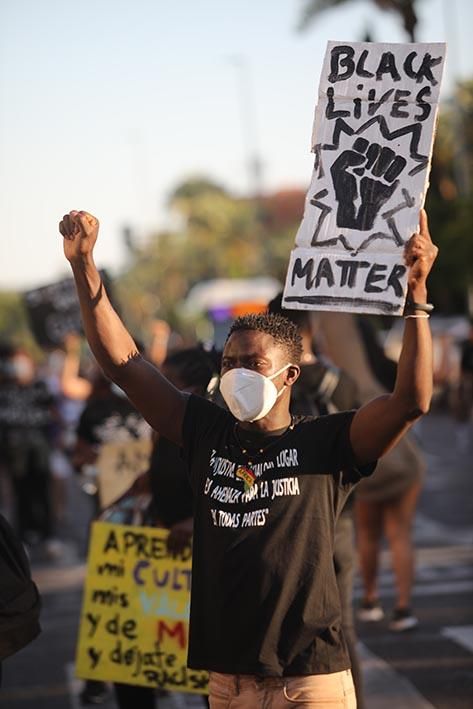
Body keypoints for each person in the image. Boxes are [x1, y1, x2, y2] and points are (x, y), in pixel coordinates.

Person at [59, 208, 436, 709]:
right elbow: (125, 365)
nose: (238, 374)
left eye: (254, 365)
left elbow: (409, 402)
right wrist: (84, 266)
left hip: (309, 681)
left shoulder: (327, 442)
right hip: (227, 683)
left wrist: (417, 304)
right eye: (229, 363)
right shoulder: (203, 432)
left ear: (290, 376)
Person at [267, 293, 365, 709]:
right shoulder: (338, 381)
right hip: (338, 520)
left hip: (278, 522)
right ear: (312, 327)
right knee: (339, 627)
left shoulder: (262, 387)